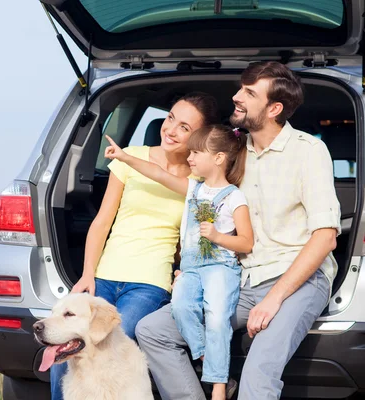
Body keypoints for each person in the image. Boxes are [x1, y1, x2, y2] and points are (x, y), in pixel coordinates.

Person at [135, 61, 341, 400]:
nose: (236, 97)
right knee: (153, 331)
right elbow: (201, 206)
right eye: (240, 89)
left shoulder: (309, 151)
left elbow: (325, 237)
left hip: (297, 280)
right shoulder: (230, 152)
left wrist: (273, 300)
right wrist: (189, 272)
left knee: (257, 378)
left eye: (248, 93)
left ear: (274, 108)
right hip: (238, 278)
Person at [49, 92, 220, 400]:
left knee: (113, 343)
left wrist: (187, 274)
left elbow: (199, 237)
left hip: (149, 284)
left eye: (184, 127)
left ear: (200, 137)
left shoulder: (200, 179)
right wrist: (88, 274)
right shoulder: (130, 155)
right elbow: (101, 222)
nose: (170, 130)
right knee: (67, 344)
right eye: (170, 118)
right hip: (104, 275)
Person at [104, 124, 253, 400]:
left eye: (196, 152)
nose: (189, 158)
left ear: (218, 158)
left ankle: (218, 388)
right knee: (182, 308)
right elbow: (157, 173)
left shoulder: (234, 196)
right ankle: (209, 358)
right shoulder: (193, 189)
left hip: (220, 265)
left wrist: (218, 236)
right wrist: (125, 158)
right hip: (192, 268)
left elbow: (246, 242)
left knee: (218, 318)